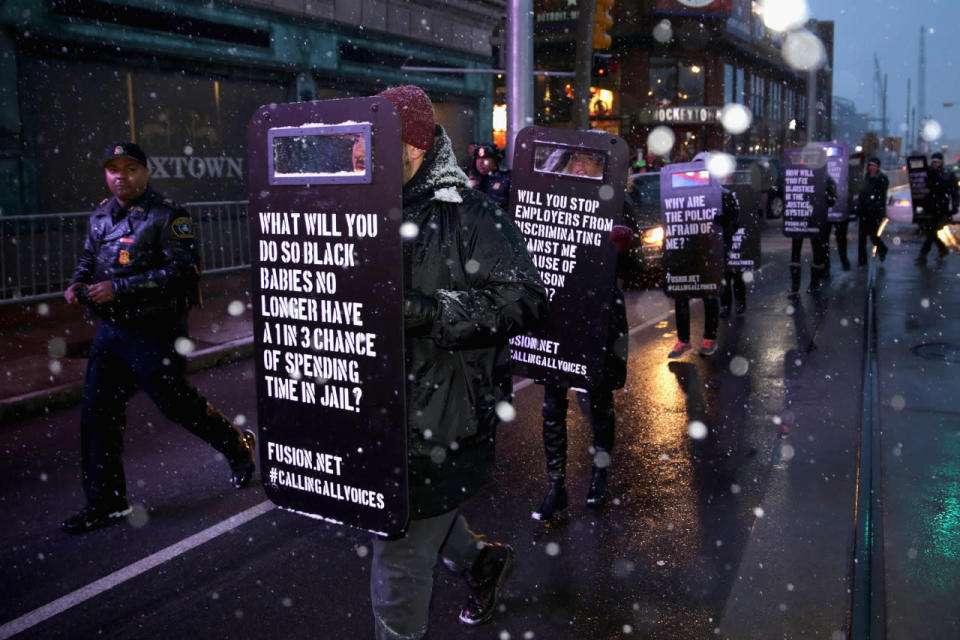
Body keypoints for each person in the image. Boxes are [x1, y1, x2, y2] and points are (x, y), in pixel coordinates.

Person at [369, 86, 547, 639]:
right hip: (375, 413)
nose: (363, 155)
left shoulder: (471, 215)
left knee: (398, 560)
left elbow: (523, 300)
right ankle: (480, 560)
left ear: (415, 145)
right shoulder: (359, 212)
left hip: (441, 418)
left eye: (378, 142)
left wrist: (427, 312)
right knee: (415, 520)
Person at [60, 142, 256, 535]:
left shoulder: (167, 215)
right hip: (112, 332)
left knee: (178, 406)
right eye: (113, 170)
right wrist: (77, 282)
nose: (121, 177)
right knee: (98, 414)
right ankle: (106, 502)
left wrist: (121, 288)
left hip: (154, 331)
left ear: (145, 173)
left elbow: (186, 271)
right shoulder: (101, 215)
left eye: (130, 169)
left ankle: (237, 445)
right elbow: (88, 258)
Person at [530, 150, 630, 523]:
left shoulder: (618, 202)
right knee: (553, 406)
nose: (578, 165)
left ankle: (599, 476)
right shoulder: (548, 198)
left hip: (596, 318)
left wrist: (623, 247)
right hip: (557, 315)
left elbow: (635, 269)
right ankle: (555, 486)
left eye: (588, 160)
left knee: (598, 401)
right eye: (574, 159)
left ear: (603, 167)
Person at [789, 174, 837, 296]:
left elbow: (832, 199)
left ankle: (814, 283)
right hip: (799, 219)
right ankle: (795, 286)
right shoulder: (796, 176)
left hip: (816, 220)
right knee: (796, 253)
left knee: (817, 251)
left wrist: (822, 199)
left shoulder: (825, 178)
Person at [915, 151, 958, 265]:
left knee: (931, 231)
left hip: (941, 207)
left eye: (937, 162)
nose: (935, 164)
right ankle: (942, 249)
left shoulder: (948, 174)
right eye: (933, 162)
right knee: (930, 231)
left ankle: (923, 255)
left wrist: (955, 206)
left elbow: (954, 192)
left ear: (941, 162)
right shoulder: (928, 173)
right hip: (929, 206)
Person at [856, 157, 890, 264]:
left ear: (878, 167)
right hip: (864, 211)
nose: (872, 168)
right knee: (862, 237)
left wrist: (875, 205)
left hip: (875, 212)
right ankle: (862, 260)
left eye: (874, 166)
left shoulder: (882, 179)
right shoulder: (866, 177)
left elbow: (881, 195)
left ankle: (882, 248)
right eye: (870, 166)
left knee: (873, 235)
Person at [718, 187, 745, 317]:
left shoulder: (725, 194)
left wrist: (724, 222)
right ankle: (727, 304)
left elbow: (734, 218)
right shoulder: (723, 194)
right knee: (726, 274)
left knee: (732, 271)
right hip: (719, 238)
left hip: (727, 237)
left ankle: (737, 301)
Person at [467, 142, 512, 208]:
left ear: (495, 160)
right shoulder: (471, 176)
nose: (481, 162)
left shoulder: (506, 179)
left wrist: (477, 192)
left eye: (486, 158)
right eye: (478, 158)